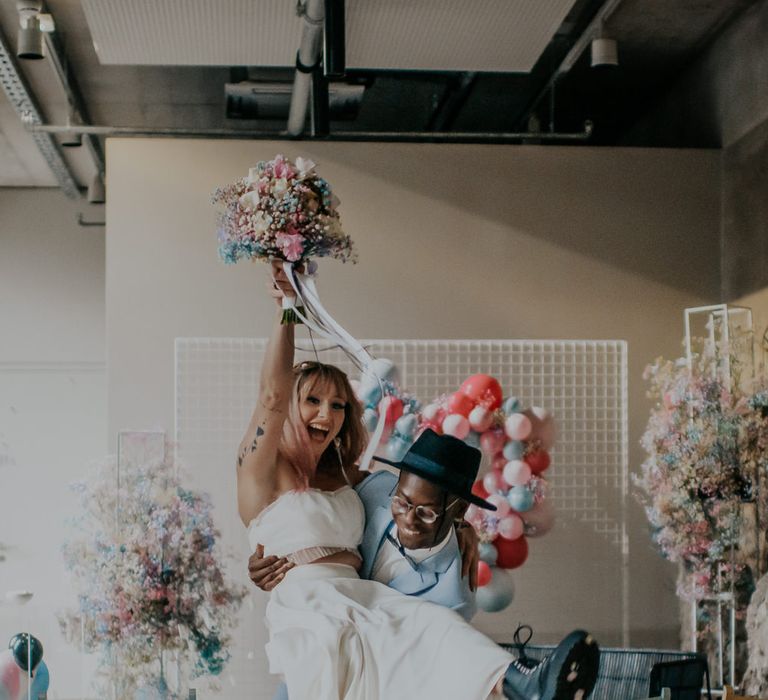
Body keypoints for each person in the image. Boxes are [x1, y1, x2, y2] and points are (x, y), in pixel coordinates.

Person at [237, 261, 599, 699]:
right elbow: (271, 395)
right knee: (356, 653)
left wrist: (458, 526)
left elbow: (420, 497)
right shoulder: (263, 472)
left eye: (337, 406)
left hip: (364, 596)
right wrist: (287, 309)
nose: (326, 415)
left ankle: (526, 684)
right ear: (291, 407)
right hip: (312, 608)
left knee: (436, 626)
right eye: (312, 400)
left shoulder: (348, 476)